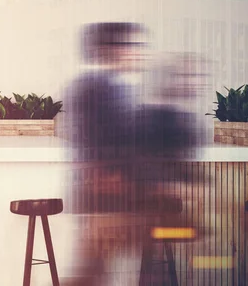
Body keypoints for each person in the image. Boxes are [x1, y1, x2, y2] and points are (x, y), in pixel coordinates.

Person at [62, 23, 204, 285]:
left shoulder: (105, 86)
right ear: (110, 50)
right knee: (90, 271)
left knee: (93, 270)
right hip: (107, 198)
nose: (140, 53)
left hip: (110, 197)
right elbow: (108, 144)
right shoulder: (100, 87)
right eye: (133, 46)